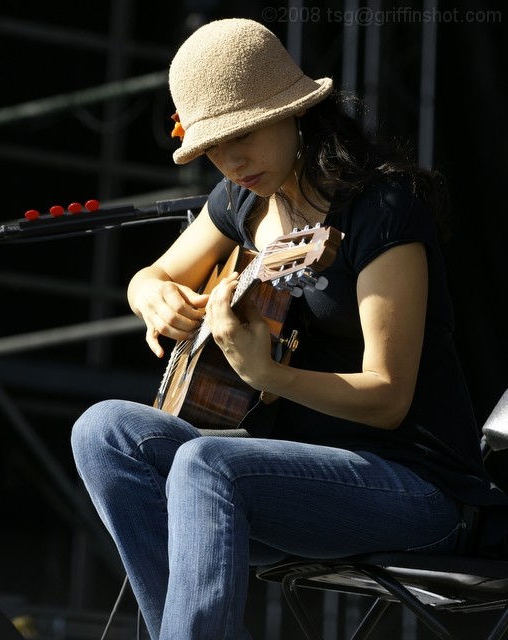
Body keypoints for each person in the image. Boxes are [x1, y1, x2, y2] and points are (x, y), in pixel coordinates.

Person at [71, 17, 508, 640]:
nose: (231, 159)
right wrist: (153, 295)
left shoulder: (382, 208)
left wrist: (267, 374)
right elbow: (155, 272)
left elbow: (388, 398)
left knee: (205, 463)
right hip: (277, 485)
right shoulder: (243, 198)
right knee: (104, 431)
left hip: (413, 487)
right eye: (213, 148)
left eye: (243, 135)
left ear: (294, 113)